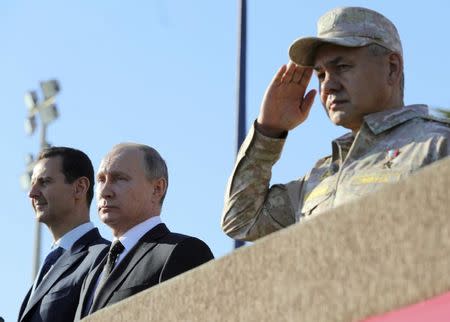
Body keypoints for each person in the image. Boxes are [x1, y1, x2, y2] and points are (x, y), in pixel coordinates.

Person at [221, 6, 450, 241]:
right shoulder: (319, 177)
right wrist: (268, 130)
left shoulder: (437, 147)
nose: (327, 86)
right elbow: (241, 220)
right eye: (320, 75)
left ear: (392, 68)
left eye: (342, 67)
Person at [75, 143, 214, 319]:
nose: (105, 191)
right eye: (101, 180)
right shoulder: (94, 269)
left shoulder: (184, 252)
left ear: (157, 189)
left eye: (119, 178)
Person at [18, 147, 109, 322]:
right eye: (32, 184)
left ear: (79, 188)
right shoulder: (50, 264)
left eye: (44, 182)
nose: (32, 193)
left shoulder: (103, 257)